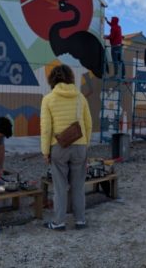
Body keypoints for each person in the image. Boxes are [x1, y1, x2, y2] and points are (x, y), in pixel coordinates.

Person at [40, 64, 92, 230]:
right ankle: (80, 220)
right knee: (78, 186)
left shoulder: (48, 99)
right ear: (71, 78)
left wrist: (45, 151)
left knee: (60, 187)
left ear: (52, 80)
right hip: (80, 146)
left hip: (59, 147)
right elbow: (89, 124)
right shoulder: (80, 98)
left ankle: (59, 222)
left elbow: (46, 128)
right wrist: (85, 145)